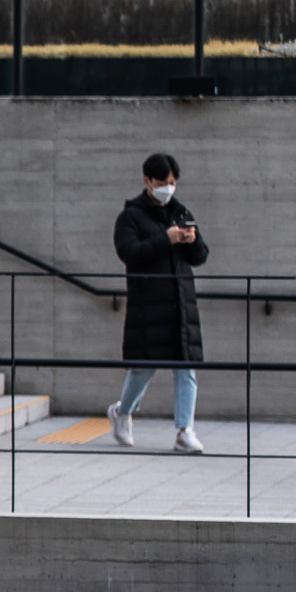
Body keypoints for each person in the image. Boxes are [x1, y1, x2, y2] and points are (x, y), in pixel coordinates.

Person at [107, 152, 210, 452]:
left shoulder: (181, 211)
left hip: (181, 305)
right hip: (148, 304)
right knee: (143, 367)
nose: (168, 188)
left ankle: (184, 430)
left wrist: (192, 241)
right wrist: (166, 239)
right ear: (147, 181)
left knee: (185, 368)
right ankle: (122, 412)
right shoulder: (131, 216)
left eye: (173, 182)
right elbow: (129, 252)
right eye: (163, 182)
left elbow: (201, 256)